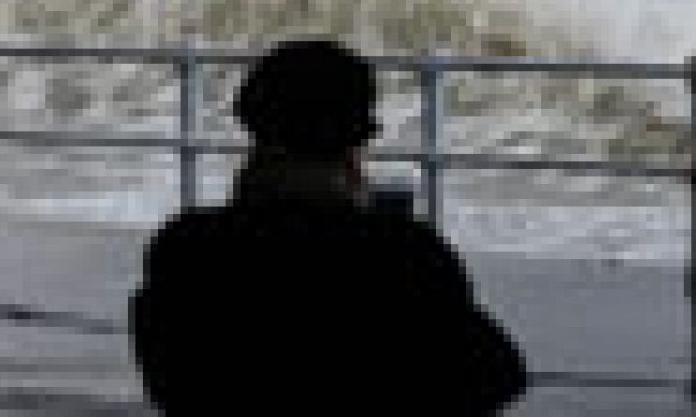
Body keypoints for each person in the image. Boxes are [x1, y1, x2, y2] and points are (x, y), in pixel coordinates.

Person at [130, 39, 528, 414]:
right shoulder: (402, 251)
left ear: (253, 129)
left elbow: (166, 382)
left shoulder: (185, 245)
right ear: (355, 145)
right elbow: (501, 376)